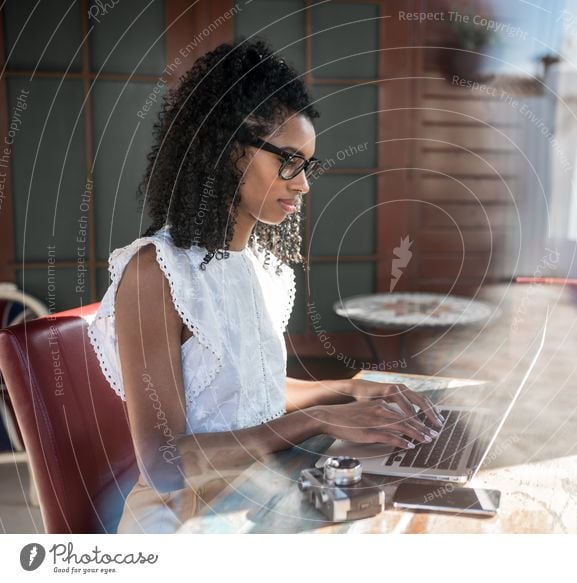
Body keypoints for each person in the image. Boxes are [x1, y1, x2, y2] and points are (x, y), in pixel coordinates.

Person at [88, 39, 444, 534]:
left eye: (308, 165)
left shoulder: (254, 265)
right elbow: (165, 464)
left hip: (258, 485)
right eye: (289, 160)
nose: (303, 183)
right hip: (187, 516)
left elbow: (250, 392)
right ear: (232, 152)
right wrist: (322, 421)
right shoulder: (156, 271)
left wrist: (349, 391)